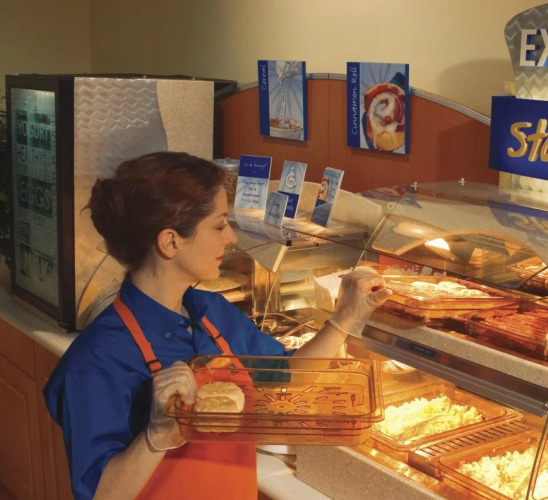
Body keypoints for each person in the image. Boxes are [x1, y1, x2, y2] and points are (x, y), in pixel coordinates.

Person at [43, 151, 391, 500]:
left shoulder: (210, 312)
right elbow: (100, 494)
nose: (231, 237)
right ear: (171, 241)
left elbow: (287, 374)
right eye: (219, 224)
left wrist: (345, 317)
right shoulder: (96, 360)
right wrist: (156, 436)